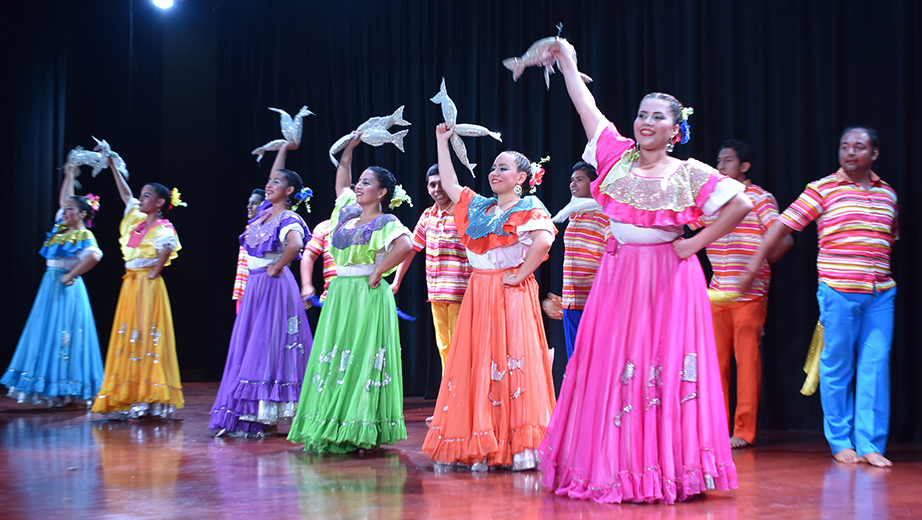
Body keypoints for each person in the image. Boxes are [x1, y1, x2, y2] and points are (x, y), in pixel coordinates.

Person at [538, 40, 752, 504]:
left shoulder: (689, 171)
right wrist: (569, 63)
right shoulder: (616, 156)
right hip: (619, 276)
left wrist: (694, 243)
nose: (646, 122)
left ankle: (666, 468)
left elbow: (741, 203)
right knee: (614, 366)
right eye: (642, 114)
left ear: (676, 129)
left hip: (669, 279)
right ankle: (617, 466)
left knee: (664, 364)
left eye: (658, 117)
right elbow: (586, 107)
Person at [740, 127, 897, 468]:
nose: (850, 152)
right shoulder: (822, 188)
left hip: (880, 294)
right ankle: (841, 440)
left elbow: (888, 239)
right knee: (837, 366)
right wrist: (753, 265)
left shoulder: (888, 195)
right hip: (838, 291)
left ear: (875, 154)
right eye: (845, 146)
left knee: (875, 367)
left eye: (859, 147)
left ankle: (871, 443)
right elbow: (780, 227)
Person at [421, 123, 558, 472]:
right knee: (480, 361)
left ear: (522, 178)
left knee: (511, 357)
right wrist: (442, 142)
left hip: (509, 291)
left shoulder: (528, 205)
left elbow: (544, 240)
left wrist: (521, 274)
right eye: (494, 167)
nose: (495, 173)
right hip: (480, 291)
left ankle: (516, 443)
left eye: (503, 168)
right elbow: (451, 185)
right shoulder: (481, 208)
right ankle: (480, 437)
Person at [287, 131, 413, 453]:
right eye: (360, 181)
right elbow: (342, 179)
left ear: (382, 192)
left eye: (367, 183)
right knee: (337, 354)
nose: (359, 186)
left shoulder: (386, 221)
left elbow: (406, 245)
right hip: (341, 292)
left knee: (363, 354)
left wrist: (378, 271)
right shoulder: (346, 212)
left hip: (366, 293)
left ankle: (362, 424)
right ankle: (334, 421)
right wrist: (350, 148)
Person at [688, 140, 793, 448]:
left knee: (746, 361)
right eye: (719, 160)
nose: (720, 166)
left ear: (744, 167)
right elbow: (690, 225)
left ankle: (743, 431)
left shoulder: (759, 197)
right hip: (716, 294)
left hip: (750, 295)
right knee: (715, 364)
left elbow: (782, 239)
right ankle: (716, 427)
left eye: (728, 161)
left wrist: (755, 270)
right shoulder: (713, 201)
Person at [209, 144, 313, 437]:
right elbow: (272, 176)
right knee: (249, 344)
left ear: (290, 191)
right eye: (269, 182)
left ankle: (265, 414)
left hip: (273, 286)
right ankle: (249, 413)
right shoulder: (265, 212)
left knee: (266, 346)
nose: (269, 185)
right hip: (256, 286)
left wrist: (278, 266)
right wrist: (282, 149)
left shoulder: (288, 218)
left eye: (277, 183)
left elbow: (295, 245)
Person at [2, 163, 104, 407]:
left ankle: (72, 390)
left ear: (82, 214)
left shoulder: (84, 235)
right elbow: (63, 201)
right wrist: (69, 174)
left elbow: (95, 256)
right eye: (66, 208)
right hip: (50, 286)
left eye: (71, 209)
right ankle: (53, 389)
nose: (65, 211)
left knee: (66, 335)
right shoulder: (61, 226)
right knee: (48, 333)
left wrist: (71, 274)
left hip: (66, 288)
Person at [92, 154, 185, 419]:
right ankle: (128, 394)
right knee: (129, 333)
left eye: (146, 196)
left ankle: (149, 396)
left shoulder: (164, 228)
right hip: (131, 285)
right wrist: (113, 167)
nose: (140, 199)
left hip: (147, 284)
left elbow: (167, 248)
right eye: (142, 195)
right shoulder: (136, 219)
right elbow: (125, 195)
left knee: (147, 332)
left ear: (159, 203)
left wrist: (155, 271)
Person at [392, 164, 472, 372]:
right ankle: (451, 394)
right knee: (444, 346)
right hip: (436, 294)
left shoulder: (465, 212)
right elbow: (410, 249)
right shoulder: (428, 215)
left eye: (441, 184)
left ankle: (463, 396)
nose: (437, 189)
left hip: (460, 293)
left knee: (460, 346)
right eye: (432, 185)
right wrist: (396, 281)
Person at [550, 161, 610, 360]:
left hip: (595, 300)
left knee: (595, 361)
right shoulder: (573, 214)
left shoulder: (606, 216)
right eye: (572, 180)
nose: (573, 184)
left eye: (580, 179)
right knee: (575, 361)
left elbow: (612, 257)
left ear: (594, 184)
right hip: (571, 302)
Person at [232, 189, 266, 313]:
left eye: (254, 203)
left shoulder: (267, 231)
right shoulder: (248, 230)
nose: (249, 207)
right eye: (249, 203)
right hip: (243, 291)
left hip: (258, 291)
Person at [299, 218, 336, 306]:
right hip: (332, 294)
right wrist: (306, 285)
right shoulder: (325, 227)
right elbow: (308, 256)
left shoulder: (370, 225)